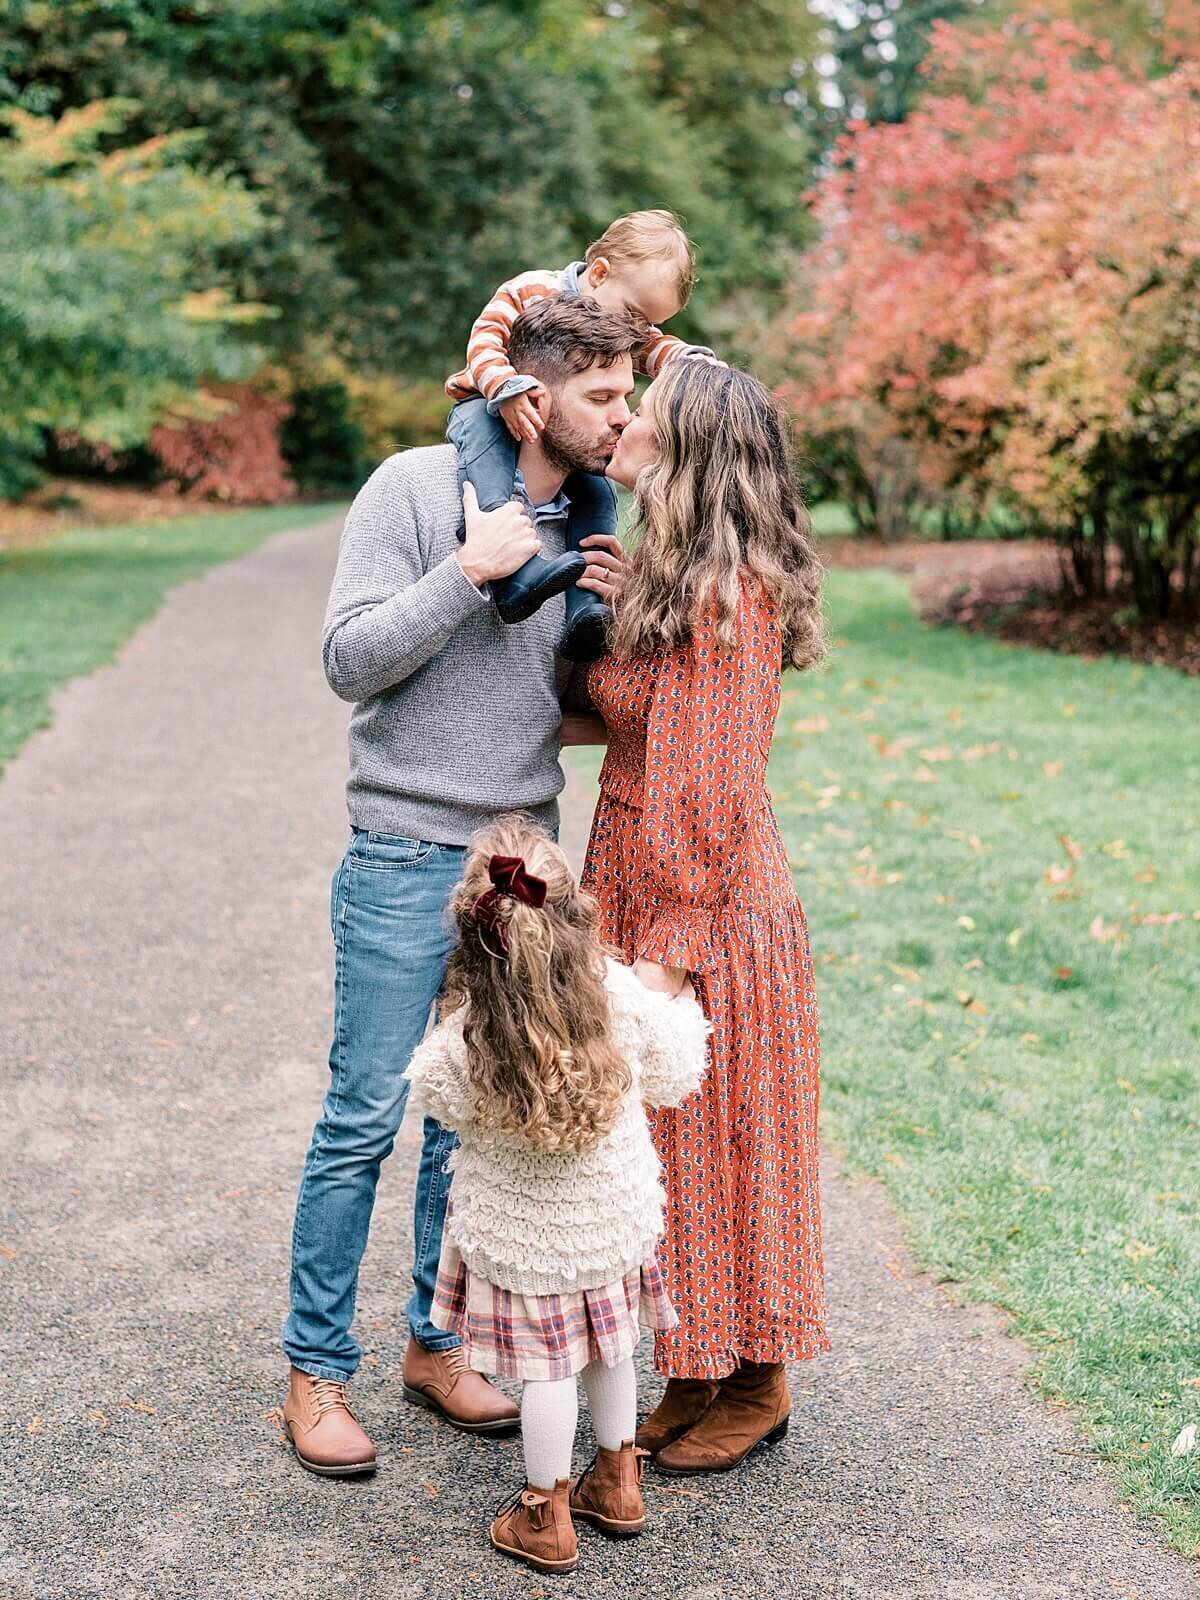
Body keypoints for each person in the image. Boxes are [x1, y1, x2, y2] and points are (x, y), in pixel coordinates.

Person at [280, 298, 641, 1478]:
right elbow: (346, 664)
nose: (623, 415)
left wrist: (621, 623)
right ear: (534, 400)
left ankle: (435, 1343)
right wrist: (467, 572)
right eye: (604, 397)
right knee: (363, 1119)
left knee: (475, 1121)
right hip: (400, 850)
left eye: (628, 392)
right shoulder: (411, 490)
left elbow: (562, 711)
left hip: (519, 858)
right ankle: (316, 1370)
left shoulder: (590, 516)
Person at [578, 357, 831, 1475]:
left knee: (727, 1140)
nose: (624, 419)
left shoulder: (732, 600)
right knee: (670, 1150)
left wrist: (667, 958)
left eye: (644, 413)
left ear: (687, 453)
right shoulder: (679, 580)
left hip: (707, 906)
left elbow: (714, 788)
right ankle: (695, 1368)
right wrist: (620, 601)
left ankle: (761, 1379)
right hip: (636, 876)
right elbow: (648, 725)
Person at [403, 816, 709, 1574]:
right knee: (611, 1351)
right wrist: (677, 1002)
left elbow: (439, 1100)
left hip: (523, 1239)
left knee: (547, 1374)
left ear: (476, 937)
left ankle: (545, 1514)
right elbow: (677, 1074)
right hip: (614, 1223)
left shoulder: (467, 1039)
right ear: (576, 918)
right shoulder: (622, 1002)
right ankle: (619, 1482)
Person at [444, 209, 715, 659]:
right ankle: (515, 574)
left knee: (597, 495)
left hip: (549, 428)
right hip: (487, 403)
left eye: (647, 323)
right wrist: (506, 387)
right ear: (600, 272)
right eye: (635, 316)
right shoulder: (535, 290)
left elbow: (653, 348)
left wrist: (689, 362)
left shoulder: (621, 324)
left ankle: (584, 610)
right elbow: (485, 339)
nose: (638, 331)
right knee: (489, 469)